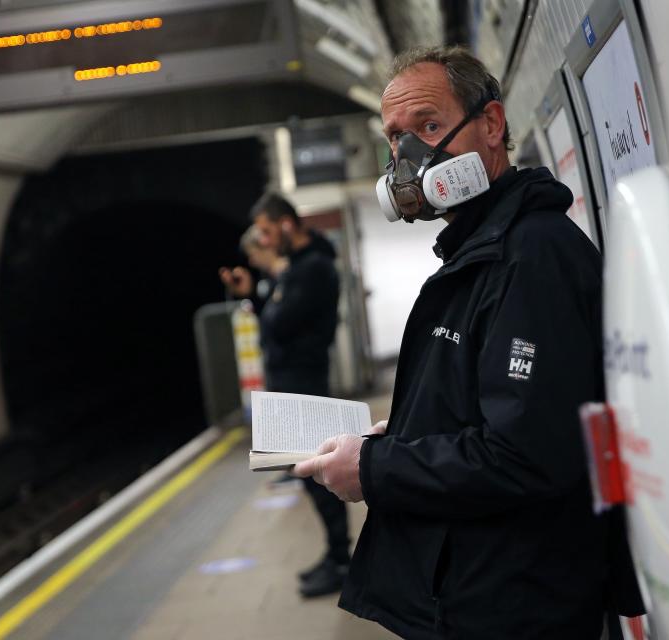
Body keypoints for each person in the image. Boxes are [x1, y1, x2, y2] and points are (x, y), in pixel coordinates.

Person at [292, 46, 644, 638]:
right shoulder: (483, 252)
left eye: (429, 127)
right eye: (396, 138)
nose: (409, 159)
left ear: (492, 125)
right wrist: (403, 432)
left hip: (518, 606)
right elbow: (489, 407)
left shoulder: (530, 260)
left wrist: (376, 471)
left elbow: (526, 456)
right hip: (484, 593)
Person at [220, 193, 350, 598]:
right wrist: (260, 296)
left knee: (318, 476)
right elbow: (274, 317)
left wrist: (272, 301)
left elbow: (281, 323)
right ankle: (335, 556)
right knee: (308, 476)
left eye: (265, 229)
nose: (263, 239)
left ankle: (342, 561)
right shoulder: (294, 268)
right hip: (291, 383)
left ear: (287, 224)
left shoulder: (313, 268)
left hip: (304, 385)